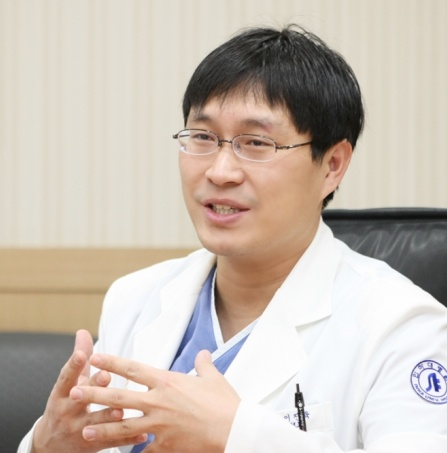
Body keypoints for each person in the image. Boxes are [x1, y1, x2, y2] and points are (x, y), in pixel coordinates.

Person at [19, 24, 447, 453]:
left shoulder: (403, 328)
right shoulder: (135, 298)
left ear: (332, 165)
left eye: (256, 143)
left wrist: (239, 435)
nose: (220, 171)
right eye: (203, 137)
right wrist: (44, 445)